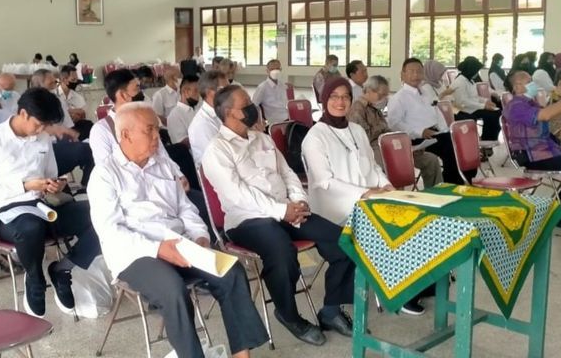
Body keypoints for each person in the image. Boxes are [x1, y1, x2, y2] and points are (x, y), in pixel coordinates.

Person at [88, 103, 269, 358]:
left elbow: (185, 208)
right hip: (136, 254)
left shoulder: (163, 165)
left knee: (231, 271)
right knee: (172, 289)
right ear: (125, 135)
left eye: (157, 130)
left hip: (180, 243)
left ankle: (241, 354)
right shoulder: (105, 175)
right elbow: (111, 232)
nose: (157, 137)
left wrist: (200, 236)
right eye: (149, 130)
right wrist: (158, 248)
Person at [203, 85, 356, 344]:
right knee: (281, 251)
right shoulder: (217, 150)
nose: (253, 107)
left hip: (287, 210)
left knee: (341, 239)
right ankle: (288, 314)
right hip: (247, 220)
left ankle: (331, 309)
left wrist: (298, 200)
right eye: (246, 104)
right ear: (229, 112)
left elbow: (286, 173)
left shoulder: (262, 139)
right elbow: (238, 195)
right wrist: (281, 210)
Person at [0, 87, 101, 318]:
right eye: (39, 124)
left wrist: (56, 184)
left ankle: (62, 269)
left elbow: (50, 173)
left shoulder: (42, 138)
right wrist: (24, 186)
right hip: (10, 213)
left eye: (45, 126)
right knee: (31, 226)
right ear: (23, 113)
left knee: (102, 215)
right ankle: (34, 277)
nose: (41, 130)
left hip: (44, 206)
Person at [90, 70, 210, 228]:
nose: (142, 93)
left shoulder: (146, 120)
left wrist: (179, 176)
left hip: (164, 189)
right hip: (135, 198)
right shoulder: (102, 130)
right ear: (123, 95)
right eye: (137, 88)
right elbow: (107, 168)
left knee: (203, 207)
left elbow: (163, 155)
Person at [504, 70, 561, 237]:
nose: (533, 84)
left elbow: (553, 115)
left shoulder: (530, 103)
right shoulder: (516, 106)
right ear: (517, 87)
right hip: (534, 156)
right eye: (529, 81)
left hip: (547, 151)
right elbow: (545, 115)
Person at [303, 77, 394, 223]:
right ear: (325, 99)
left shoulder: (357, 130)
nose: (340, 102)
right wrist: (365, 193)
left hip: (368, 202)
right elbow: (324, 181)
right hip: (338, 212)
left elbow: (373, 166)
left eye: (345, 97)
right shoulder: (315, 136)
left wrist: (385, 184)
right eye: (334, 96)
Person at [347, 75, 442, 188]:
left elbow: (387, 131)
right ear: (368, 91)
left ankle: (433, 193)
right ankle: (395, 195)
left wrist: (408, 147)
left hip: (390, 147)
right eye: (381, 95)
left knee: (431, 160)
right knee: (395, 165)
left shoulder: (375, 108)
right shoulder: (357, 109)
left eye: (386, 95)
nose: (384, 99)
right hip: (374, 151)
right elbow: (361, 140)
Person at [388, 58, 472, 185]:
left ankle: (463, 181)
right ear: (402, 74)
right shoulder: (398, 98)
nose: (416, 75)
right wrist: (420, 132)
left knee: (462, 142)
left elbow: (437, 113)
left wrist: (445, 130)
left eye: (419, 71)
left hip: (435, 133)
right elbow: (395, 124)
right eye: (411, 71)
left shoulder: (425, 92)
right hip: (417, 138)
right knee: (450, 147)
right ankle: (452, 185)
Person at [29, 69, 94, 187]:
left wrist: (71, 137)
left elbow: (68, 125)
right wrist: (56, 130)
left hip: (59, 142)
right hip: (40, 150)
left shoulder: (57, 99)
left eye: (55, 83)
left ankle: (86, 185)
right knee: (85, 149)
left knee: (89, 146)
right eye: (50, 84)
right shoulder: (30, 104)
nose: (54, 86)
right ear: (39, 85)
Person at [451, 56, 501, 142]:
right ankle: (488, 140)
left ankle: (490, 139)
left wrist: (486, 101)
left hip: (473, 107)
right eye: (476, 71)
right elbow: (463, 102)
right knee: (492, 115)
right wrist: (483, 106)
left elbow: (474, 97)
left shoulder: (470, 81)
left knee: (497, 112)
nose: (477, 73)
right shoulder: (459, 82)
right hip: (465, 109)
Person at [188, 70, 228, 164]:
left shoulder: (222, 112)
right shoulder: (202, 124)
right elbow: (218, 158)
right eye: (225, 90)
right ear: (210, 93)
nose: (231, 94)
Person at [57, 65, 93, 139]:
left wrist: (78, 117)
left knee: (89, 125)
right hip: (58, 129)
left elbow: (83, 114)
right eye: (73, 80)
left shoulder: (78, 98)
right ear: (64, 80)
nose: (76, 82)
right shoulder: (54, 95)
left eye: (76, 79)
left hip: (75, 128)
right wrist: (69, 112)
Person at [252, 59, 288, 125]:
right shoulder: (262, 87)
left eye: (277, 69)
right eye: (272, 69)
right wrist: (259, 120)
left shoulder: (282, 85)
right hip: (273, 120)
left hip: (287, 116)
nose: (275, 71)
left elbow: (285, 102)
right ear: (267, 71)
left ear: (280, 70)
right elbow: (254, 105)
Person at [167, 75, 200, 145]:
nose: (198, 95)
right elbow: (182, 142)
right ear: (185, 91)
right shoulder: (175, 115)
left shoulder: (198, 109)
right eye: (196, 91)